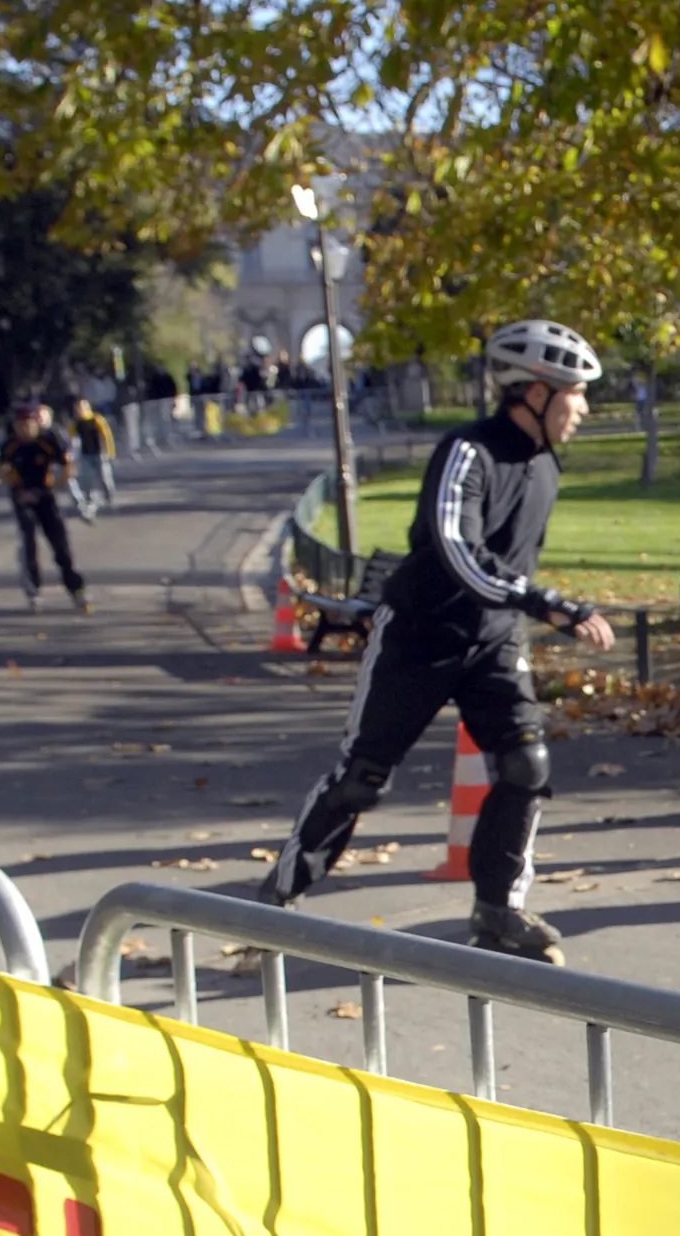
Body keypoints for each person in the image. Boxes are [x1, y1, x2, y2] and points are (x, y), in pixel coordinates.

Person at [261, 319, 617, 962]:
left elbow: (507, 564)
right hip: (419, 637)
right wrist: (547, 604)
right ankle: (275, 904)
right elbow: (459, 551)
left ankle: (498, 908)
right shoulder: (467, 452)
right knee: (362, 779)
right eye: (575, 392)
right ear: (534, 393)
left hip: (494, 642)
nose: (584, 407)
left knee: (527, 767)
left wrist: (525, 610)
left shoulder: (546, 465)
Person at [0, 400, 90, 613]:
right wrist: (16, 486)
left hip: (46, 496)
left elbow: (68, 467)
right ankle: (33, 590)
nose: (24, 429)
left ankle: (76, 589)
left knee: (60, 545)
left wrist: (53, 486)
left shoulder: (48, 440)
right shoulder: (10, 445)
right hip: (22, 497)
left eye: (28, 424)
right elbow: (1, 471)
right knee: (29, 543)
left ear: (36, 424)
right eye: (20, 425)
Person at [68, 395, 121, 510]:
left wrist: (109, 451)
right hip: (84, 455)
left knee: (104, 477)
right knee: (86, 477)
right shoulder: (75, 424)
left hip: (99, 453)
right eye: (78, 408)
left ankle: (108, 494)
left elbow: (106, 436)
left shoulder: (97, 420)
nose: (79, 410)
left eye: (82, 407)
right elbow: (71, 440)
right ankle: (89, 497)